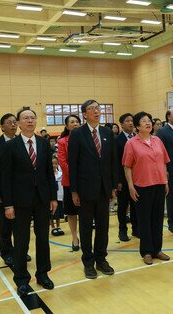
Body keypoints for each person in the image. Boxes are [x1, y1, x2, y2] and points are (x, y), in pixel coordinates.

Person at [2, 108, 57, 296]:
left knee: (43, 239)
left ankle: (43, 274)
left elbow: (50, 173)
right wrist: (8, 204)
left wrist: (53, 197)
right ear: (18, 123)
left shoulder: (43, 143)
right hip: (19, 201)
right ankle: (22, 279)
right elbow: (6, 178)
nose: (30, 121)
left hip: (42, 199)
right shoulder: (10, 146)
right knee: (21, 241)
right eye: (26, 118)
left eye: (33, 118)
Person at [68, 100, 117, 279]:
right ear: (84, 114)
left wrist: (113, 186)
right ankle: (88, 262)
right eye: (91, 109)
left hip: (104, 189)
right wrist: (74, 190)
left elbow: (112, 161)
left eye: (98, 108)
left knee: (103, 227)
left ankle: (101, 259)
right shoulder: (77, 134)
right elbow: (72, 164)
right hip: (84, 189)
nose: (96, 111)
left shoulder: (106, 132)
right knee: (86, 228)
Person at [123, 112, 171, 265]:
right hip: (142, 187)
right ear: (137, 126)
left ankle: (157, 249)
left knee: (157, 219)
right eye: (143, 121)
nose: (147, 123)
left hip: (159, 184)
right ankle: (146, 251)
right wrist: (130, 187)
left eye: (149, 120)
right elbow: (127, 167)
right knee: (144, 220)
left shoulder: (158, 141)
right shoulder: (131, 143)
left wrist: (165, 182)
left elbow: (164, 162)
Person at [0, 113, 23, 265]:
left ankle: (20, 252)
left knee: (21, 225)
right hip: (3, 192)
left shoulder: (22, 141)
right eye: (9, 123)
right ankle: (7, 252)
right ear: (2, 127)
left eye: (15, 122)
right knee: (6, 225)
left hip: (22, 191)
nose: (13, 125)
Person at [57, 115, 81, 251]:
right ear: (67, 126)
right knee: (72, 212)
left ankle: (85, 236)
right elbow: (63, 162)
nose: (75, 124)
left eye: (77, 121)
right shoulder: (62, 142)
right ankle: (74, 238)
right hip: (69, 182)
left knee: (85, 212)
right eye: (72, 122)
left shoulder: (85, 139)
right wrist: (75, 175)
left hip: (85, 182)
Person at [115, 113, 138, 242]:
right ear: (121, 124)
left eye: (132, 120)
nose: (130, 123)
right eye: (127, 121)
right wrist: (118, 180)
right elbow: (115, 162)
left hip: (138, 178)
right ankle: (122, 230)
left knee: (136, 205)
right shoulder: (117, 140)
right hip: (123, 180)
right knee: (123, 206)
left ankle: (136, 229)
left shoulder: (137, 137)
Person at [50, 157, 65, 236]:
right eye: (52, 164)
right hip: (51, 198)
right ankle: (53, 227)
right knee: (51, 214)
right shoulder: (48, 175)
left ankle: (58, 226)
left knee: (58, 213)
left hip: (59, 196)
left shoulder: (60, 174)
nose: (54, 165)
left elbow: (62, 185)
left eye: (55, 163)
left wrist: (63, 196)